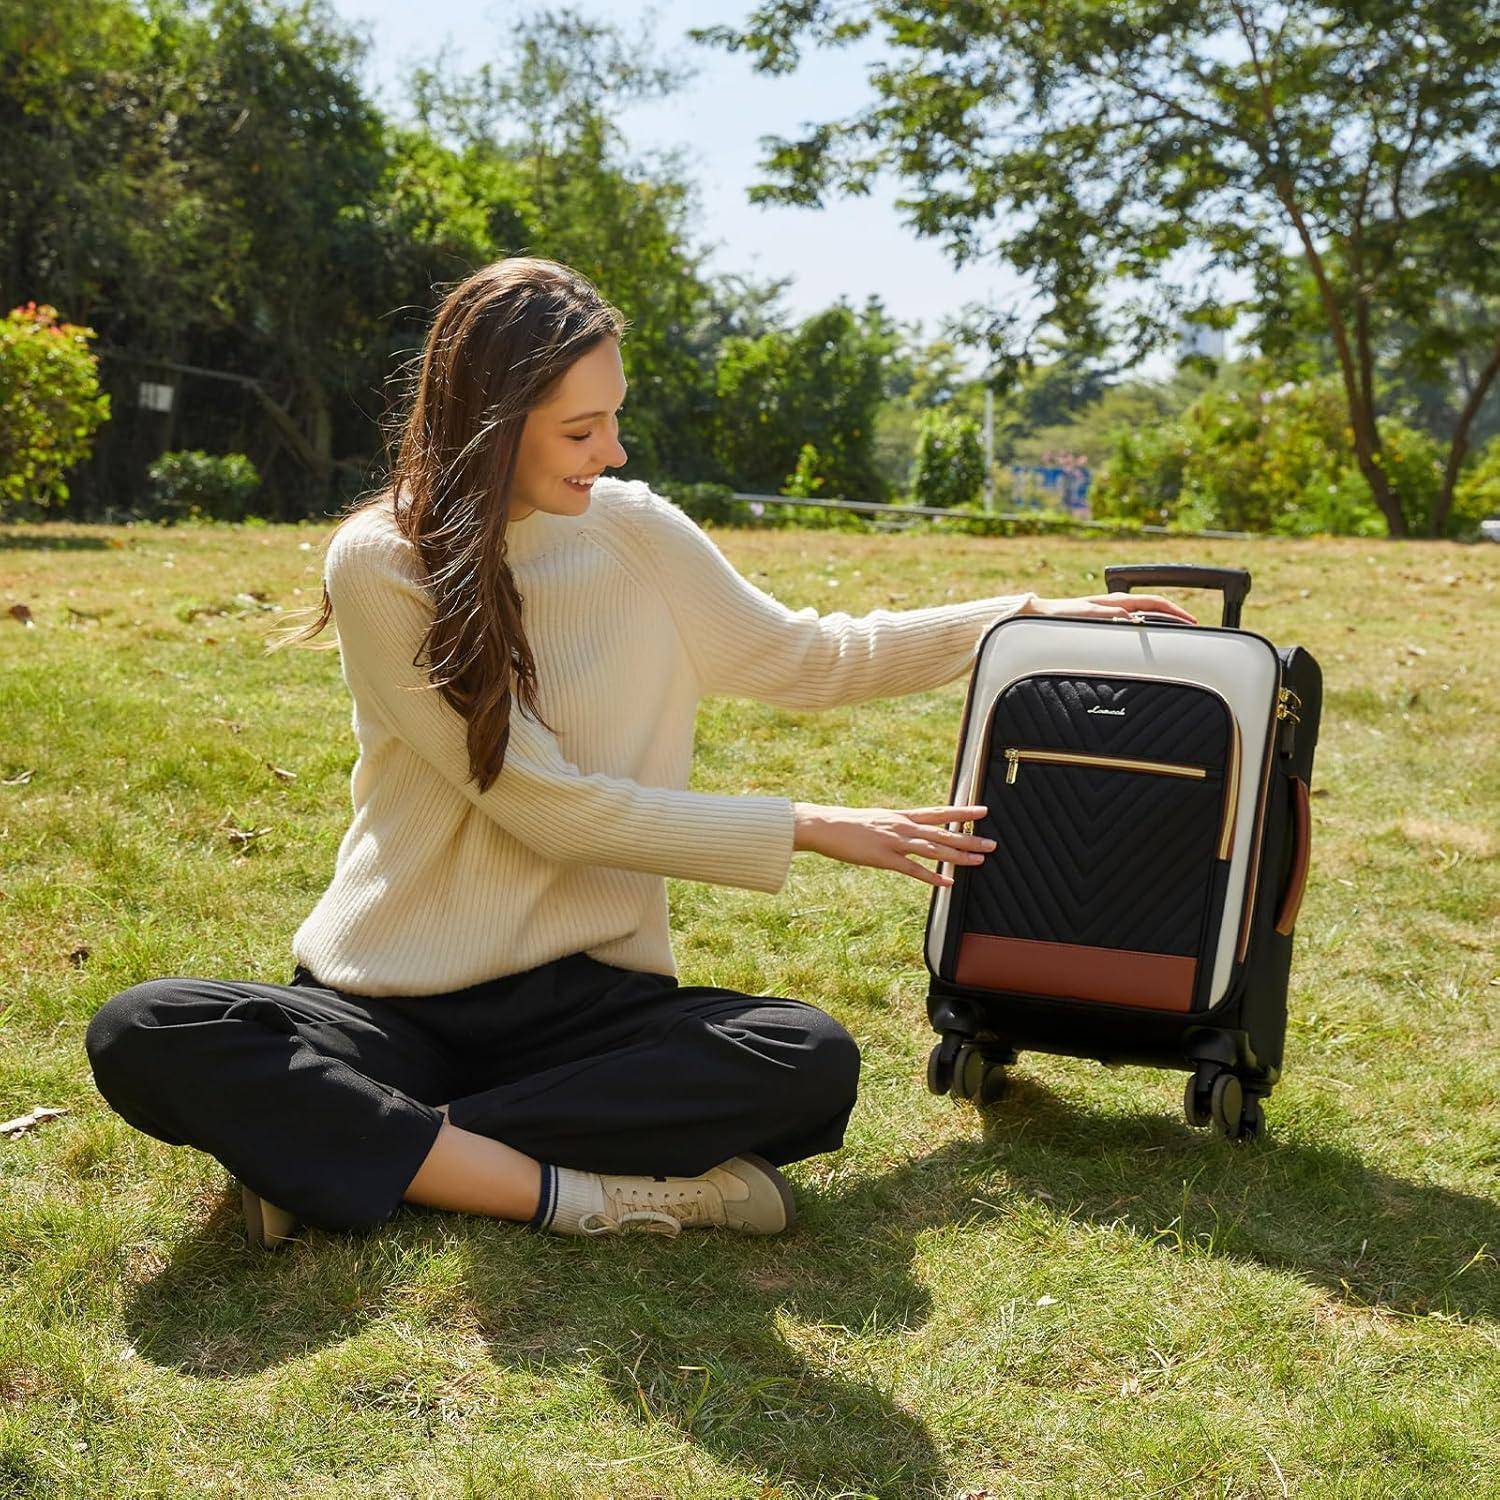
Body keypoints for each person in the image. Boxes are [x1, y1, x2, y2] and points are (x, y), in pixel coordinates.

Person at [83, 257, 1196, 1250]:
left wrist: (1026, 617)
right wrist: (808, 826)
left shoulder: (636, 530)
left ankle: (349, 1157)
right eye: (580, 430)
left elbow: (807, 656)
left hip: (586, 1006)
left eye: (612, 419)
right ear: (490, 418)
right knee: (148, 1028)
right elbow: (548, 809)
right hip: (389, 1002)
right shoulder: (383, 563)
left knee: (803, 1056)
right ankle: (572, 1196)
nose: (611, 451)